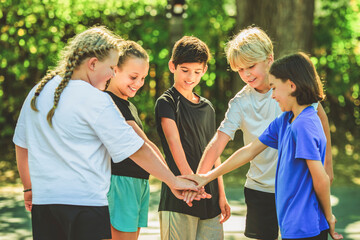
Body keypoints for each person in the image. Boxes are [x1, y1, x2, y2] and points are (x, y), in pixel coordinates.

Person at [13, 26, 199, 240]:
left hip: (44, 205)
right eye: (111, 67)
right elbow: (136, 149)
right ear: (92, 64)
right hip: (86, 206)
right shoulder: (96, 99)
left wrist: (28, 188)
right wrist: (172, 181)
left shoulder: (38, 92)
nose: (112, 73)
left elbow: (22, 146)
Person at [182, 52, 343, 240]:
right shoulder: (285, 120)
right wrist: (207, 177)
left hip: (307, 227)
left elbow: (320, 178)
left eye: (274, 88)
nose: (272, 96)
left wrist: (329, 216)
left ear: (291, 86)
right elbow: (250, 150)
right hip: (292, 224)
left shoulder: (304, 125)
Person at [155, 36, 230, 240]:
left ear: (204, 70)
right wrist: (191, 183)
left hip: (209, 197)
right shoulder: (166, 103)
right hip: (179, 197)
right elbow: (174, 144)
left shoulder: (208, 107)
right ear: (173, 66)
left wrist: (221, 195)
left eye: (197, 72)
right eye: (185, 70)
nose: (191, 77)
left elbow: (215, 152)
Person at [105, 40, 164, 240]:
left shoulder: (129, 105)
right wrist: (174, 179)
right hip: (121, 184)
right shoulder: (108, 102)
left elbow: (148, 145)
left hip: (138, 183)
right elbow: (143, 145)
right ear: (114, 70)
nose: (138, 83)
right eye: (133, 76)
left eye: (143, 78)